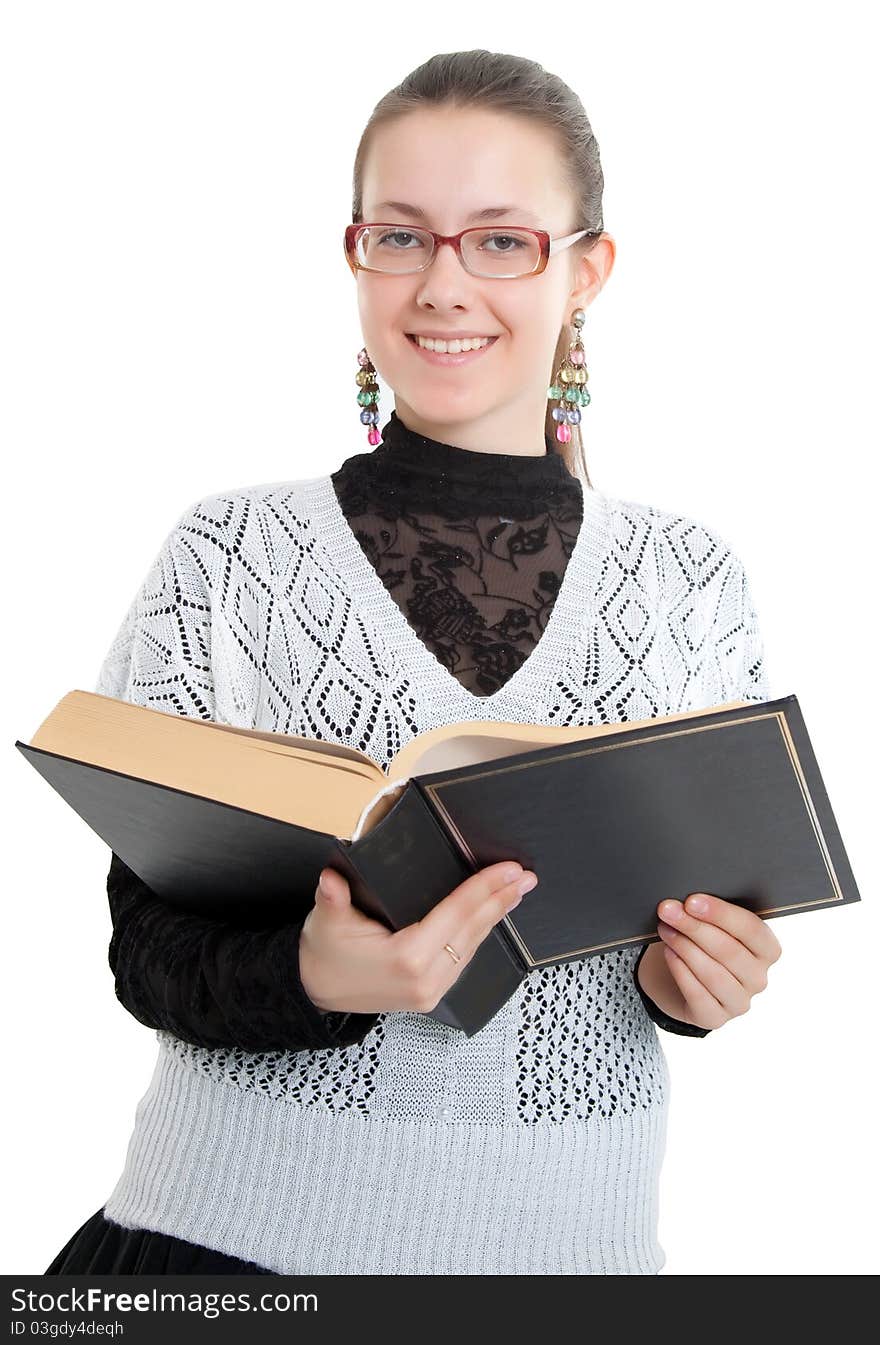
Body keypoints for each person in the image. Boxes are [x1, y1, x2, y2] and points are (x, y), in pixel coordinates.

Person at [45, 49, 782, 1277]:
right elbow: (143, 950)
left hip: (577, 1256)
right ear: (356, 256)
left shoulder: (691, 582)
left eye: (501, 241)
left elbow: (696, 934)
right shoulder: (232, 556)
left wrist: (695, 981)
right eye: (402, 237)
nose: (443, 286)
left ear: (585, 269)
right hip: (226, 1250)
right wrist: (309, 973)